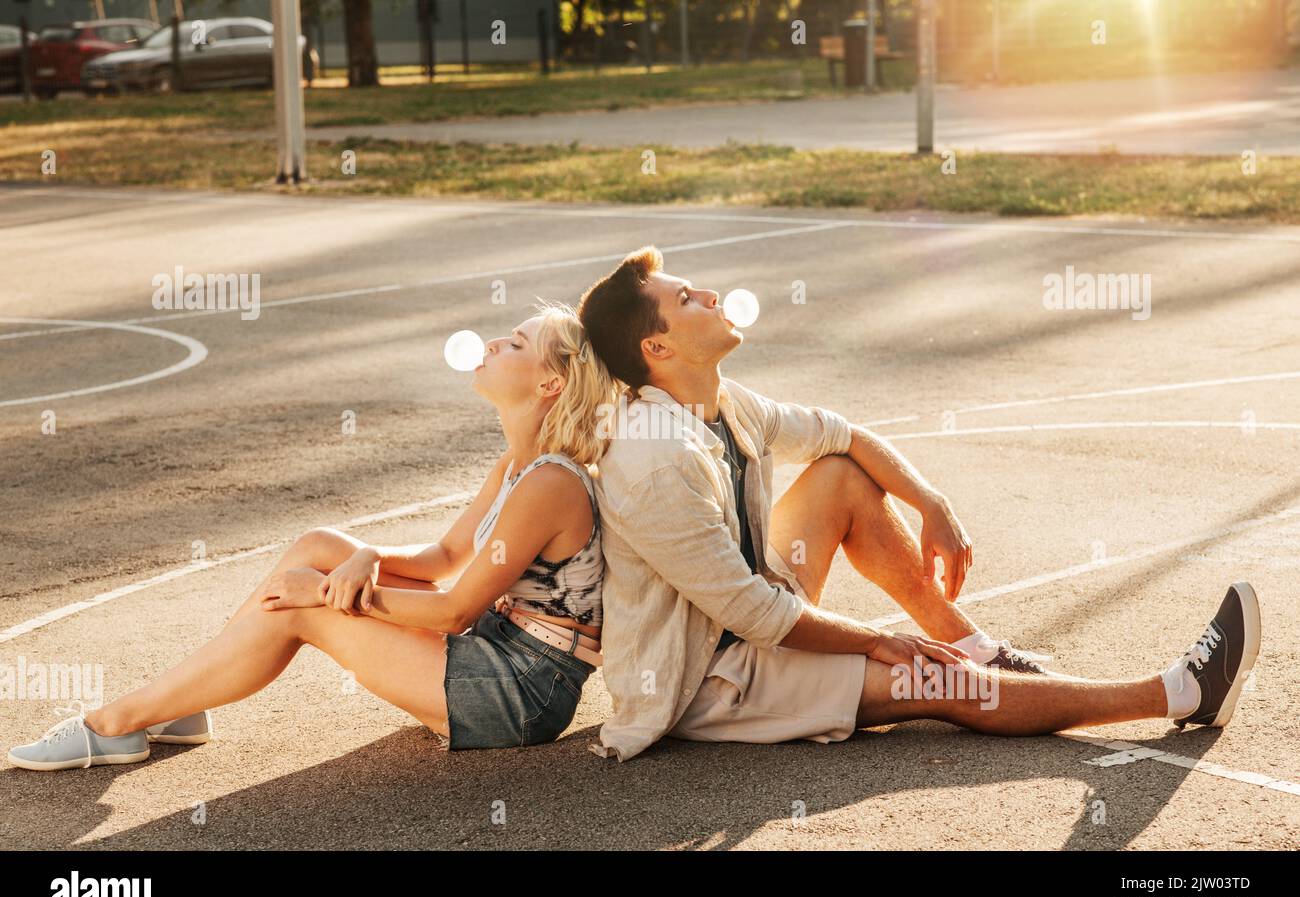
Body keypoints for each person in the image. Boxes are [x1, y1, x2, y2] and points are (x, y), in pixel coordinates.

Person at [575, 245, 1262, 762]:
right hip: (714, 676)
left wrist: (930, 502)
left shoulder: (718, 399)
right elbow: (756, 617)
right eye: (689, 297)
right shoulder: (653, 459)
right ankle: (1175, 691)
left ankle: (976, 646)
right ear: (656, 346)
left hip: (747, 612)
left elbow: (841, 434)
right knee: (939, 681)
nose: (711, 294)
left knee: (841, 472)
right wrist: (883, 641)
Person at [7, 305, 619, 770]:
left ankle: (120, 720)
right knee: (319, 544)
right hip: (495, 654)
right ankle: (181, 701)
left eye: (515, 344)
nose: (491, 343)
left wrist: (327, 595)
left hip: (521, 691)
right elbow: (443, 560)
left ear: (550, 386)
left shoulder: (550, 482)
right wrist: (363, 559)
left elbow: (456, 610)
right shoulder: (515, 466)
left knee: (301, 608)